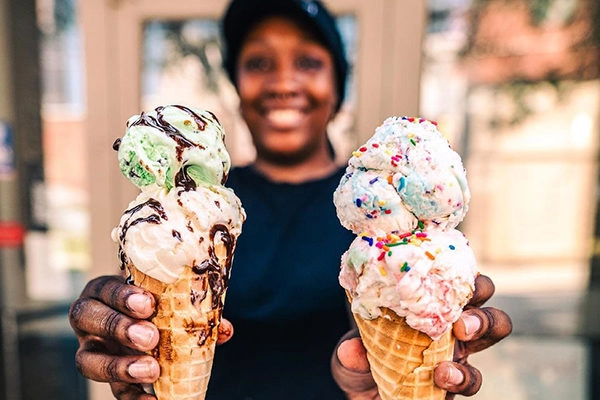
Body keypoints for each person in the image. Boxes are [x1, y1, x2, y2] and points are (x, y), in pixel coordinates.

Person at [68, 0, 512, 399]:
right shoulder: (194, 210)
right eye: (259, 62)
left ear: (338, 88)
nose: (283, 81)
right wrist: (122, 329)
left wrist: (409, 356)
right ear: (237, 89)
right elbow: (135, 325)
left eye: (308, 61)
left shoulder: (385, 212)